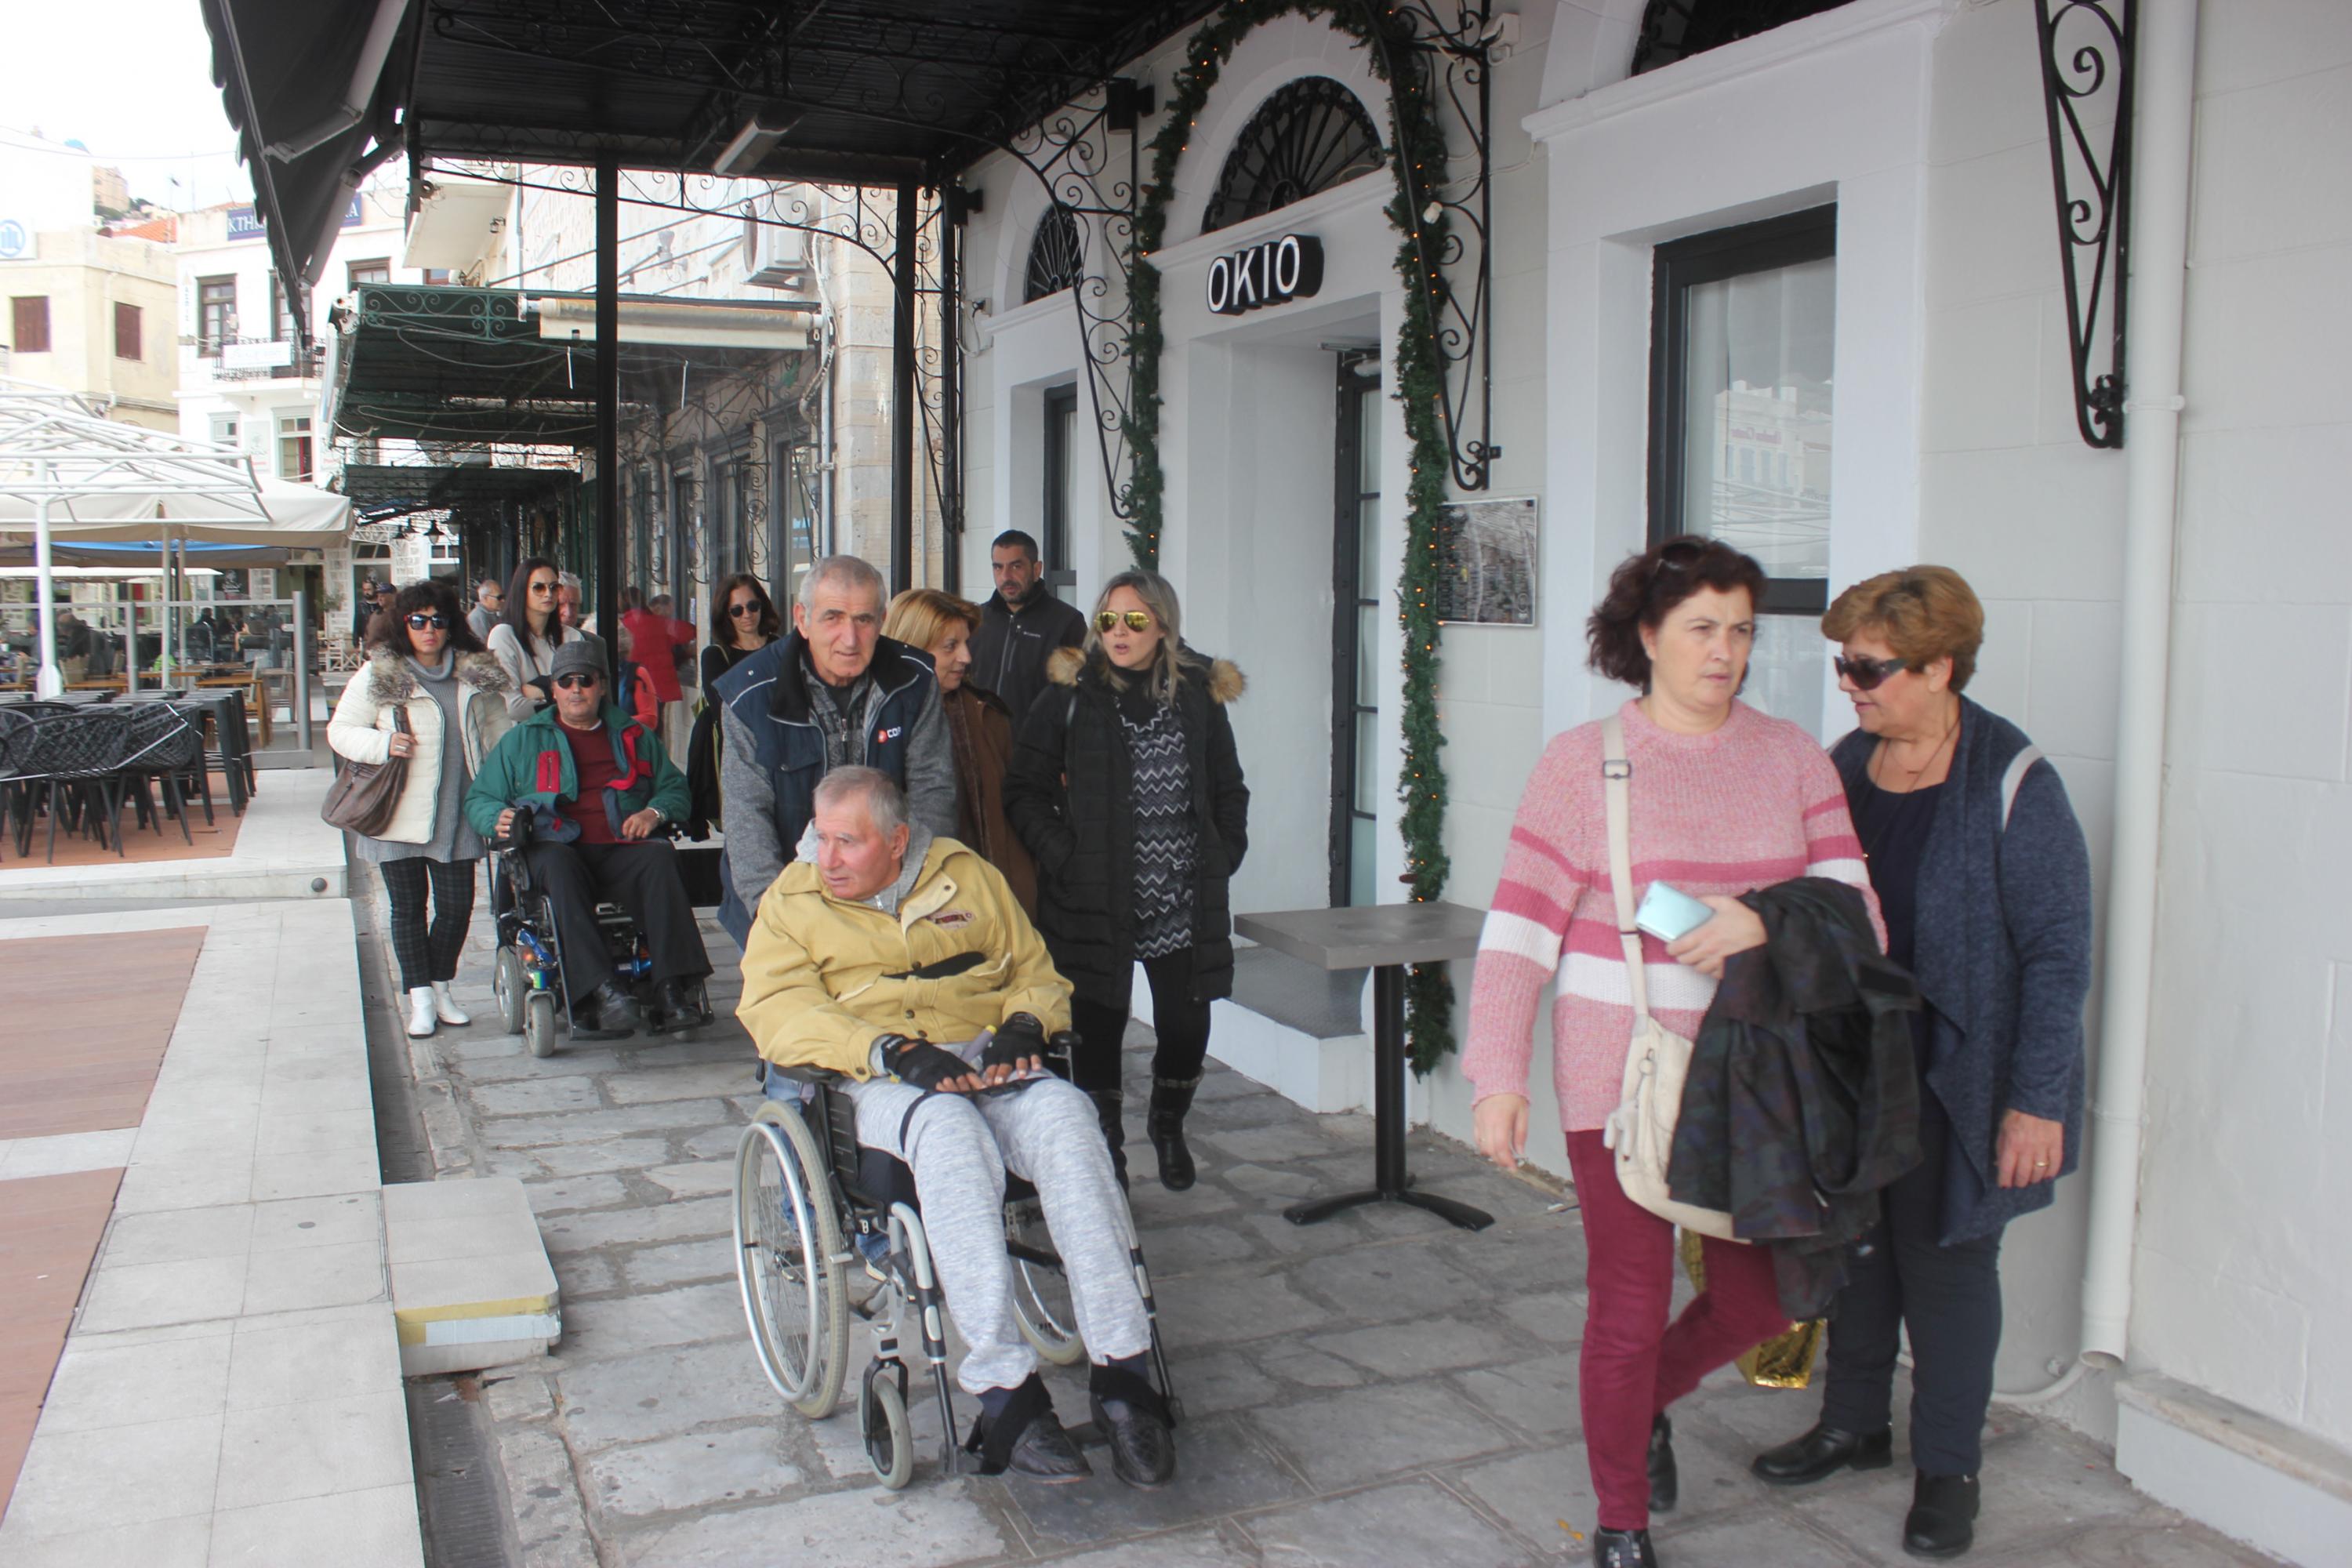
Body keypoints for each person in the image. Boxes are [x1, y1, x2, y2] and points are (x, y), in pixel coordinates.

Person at [1461, 535, 1881, 1568]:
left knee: (1763, 1296)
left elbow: (1860, 915)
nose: (1724, 650)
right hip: (1621, 1073)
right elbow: (1519, 933)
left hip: (1759, 1076)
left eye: (1741, 629)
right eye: (1701, 628)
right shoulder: (1582, 763)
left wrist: (1761, 920)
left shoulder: (1792, 756)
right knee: (1629, 1304)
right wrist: (1497, 1077)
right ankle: (1622, 1520)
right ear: (1646, 636)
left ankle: (1636, 1405)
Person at [1748, 567, 2092, 1560]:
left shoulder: (2014, 781)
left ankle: (1949, 1469)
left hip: (1957, 1070)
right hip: (1856, 1061)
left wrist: (2035, 1100)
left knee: (1945, 1264)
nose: (1848, 685)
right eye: (1842, 664)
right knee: (1856, 1248)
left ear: (1940, 666)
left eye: (1868, 668)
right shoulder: (1848, 763)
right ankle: (1853, 1424)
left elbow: (2058, 955)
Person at [735, 768, 1177, 1487]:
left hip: (986, 1059)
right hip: (879, 1079)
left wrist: (1026, 1022)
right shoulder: (793, 901)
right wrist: (887, 1049)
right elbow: (778, 1010)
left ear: (898, 840)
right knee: (949, 1134)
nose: (828, 858)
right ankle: (1005, 1393)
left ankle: (1124, 1374)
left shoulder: (966, 875)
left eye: (848, 841)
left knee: (1070, 1118)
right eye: (822, 837)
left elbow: (1032, 969)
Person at [1002, 570, 1248, 1193]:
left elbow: (1228, 786)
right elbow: (1023, 789)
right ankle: (1106, 1148)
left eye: (1134, 620)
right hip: (1093, 898)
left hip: (1180, 898)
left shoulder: (1197, 696)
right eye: (1107, 619)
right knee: (1096, 1032)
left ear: (1162, 625)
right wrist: (1065, 855)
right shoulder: (1070, 695)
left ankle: (1167, 1123)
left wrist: (1223, 852)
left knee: (1186, 1029)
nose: (1118, 632)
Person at [463, 641, 712, 1039]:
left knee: (660, 858)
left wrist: (654, 813)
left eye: (585, 680)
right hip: (555, 848)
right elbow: (479, 799)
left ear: (602, 686)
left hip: (618, 846)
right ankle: (603, 991)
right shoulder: (523, 740)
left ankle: (671, 989)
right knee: (559, 866)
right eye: (566, 682)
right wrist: (497, 817)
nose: (576, 689)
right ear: (554, 690)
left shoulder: (633, 735)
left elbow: (675, 789)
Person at [710, 554, 956, 948]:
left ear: (882, 620)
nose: (850, 638)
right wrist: (774, 918)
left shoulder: (914, 680)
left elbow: (933, 791)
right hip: (781, 895)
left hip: (892, 898)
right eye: (833, 618)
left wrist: (910, 893)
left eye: (864, 620)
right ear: (802, 619)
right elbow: (747, 815)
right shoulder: (749, 694)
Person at [330, 578, 516, 1039]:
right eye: (417, 620)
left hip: (459, 812)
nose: (428, 629)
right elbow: (341, 730)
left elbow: (499, 735)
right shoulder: (381, 673)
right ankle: (422, 999)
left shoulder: (475, 674)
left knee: (456, 909)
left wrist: (510, 785)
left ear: (452, 624)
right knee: (408, 909)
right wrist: (382, 743)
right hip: (397, 814)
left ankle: (441, 986)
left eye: (438, 620)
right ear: (403, 624)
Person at [885, 587, 1037, 917]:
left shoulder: (987, 716)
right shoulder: (874, 720)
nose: (966, 657)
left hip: (989, 898)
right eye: (950, 646)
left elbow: (1012, 811)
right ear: (912, 647)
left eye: (966, 643)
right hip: (901, 905)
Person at [967, 529, 1086, 731]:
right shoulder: (976, 619)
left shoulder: (1067, 622)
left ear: (1037, 569)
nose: (1006, 577)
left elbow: (1080, 697)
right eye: (998, 567)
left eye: (1016, 566)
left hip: (1038, 745)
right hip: (982, 743)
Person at [484, 556, 577, 720]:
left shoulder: (572, 636)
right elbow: (512, 708)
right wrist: (561, 696)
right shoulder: (503, 635)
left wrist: (542, 691)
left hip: (568, 734)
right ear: (522, 591)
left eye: (554, 587)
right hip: (526, 734)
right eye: (539, 588)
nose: (548, 594)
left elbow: (586, 699)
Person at [622, 590, 694, 736]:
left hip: (631, 684)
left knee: (629, 725)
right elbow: (689, 631)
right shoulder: (659, 623)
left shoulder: (622, 626)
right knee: (655, 725)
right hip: (658, 687)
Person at [701, 572, 779, 688]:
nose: (747, 615)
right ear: (727, 614)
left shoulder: (778, 646)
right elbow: (717, 699)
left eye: (753, 606)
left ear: (761, 604)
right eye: (737, 610)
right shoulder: (715, 656)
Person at [556, 571, 610, 677]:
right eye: (561, 604)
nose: (568, 612)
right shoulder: (535, 642)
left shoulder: (594, 643)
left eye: (573, 604)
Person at [612, 622, 660, 733]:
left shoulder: (636, 673)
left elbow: (650, 720)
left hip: (627, 740)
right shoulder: (585, 675)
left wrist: (614, 724)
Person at [466, 575, 505, 644]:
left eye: (503, 597)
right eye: (499, 597)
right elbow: (486, 644)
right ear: (485, 598)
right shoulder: (476, 618)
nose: (503, 600)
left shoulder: (495, 614)